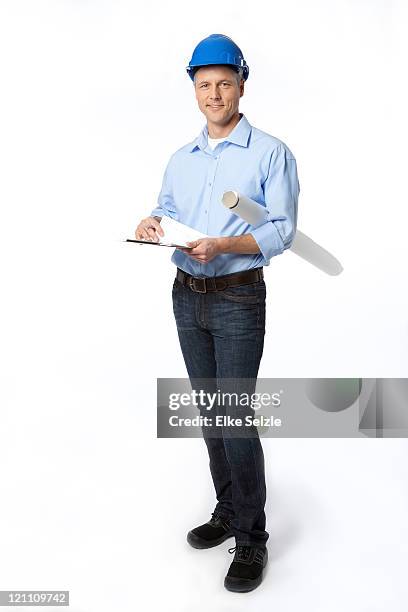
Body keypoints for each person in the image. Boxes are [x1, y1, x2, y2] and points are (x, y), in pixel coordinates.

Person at [135, 33, 299, 593]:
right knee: (210, 413)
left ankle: (251, 539)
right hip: (186, 294)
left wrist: (223, 246)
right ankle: (228, 511)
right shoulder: (181, 159)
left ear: (241, 86)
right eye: (204, 85)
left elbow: (280, 231)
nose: (213, 93)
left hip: (236, 297)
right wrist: (149, 225)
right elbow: (166, 210)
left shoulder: (270, 153)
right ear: (195, 90)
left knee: (233, 416)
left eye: (223, 83)